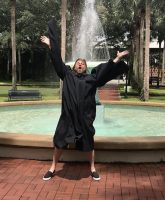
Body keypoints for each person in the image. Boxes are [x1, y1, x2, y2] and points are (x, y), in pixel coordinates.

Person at [40, 19, 129, 181]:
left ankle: (92, 168)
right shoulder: (67, 75)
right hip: (68, 118)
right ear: (74, 66)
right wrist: (50, 45)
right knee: (59, 141)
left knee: (89, 142)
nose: (80, 65)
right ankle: (53, 167)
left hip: (84, 118)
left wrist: (116, 59)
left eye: (82, 64)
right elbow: (57, 61)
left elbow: (105, 70)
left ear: (85, 67)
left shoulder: (91, 78)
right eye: (77, 63)